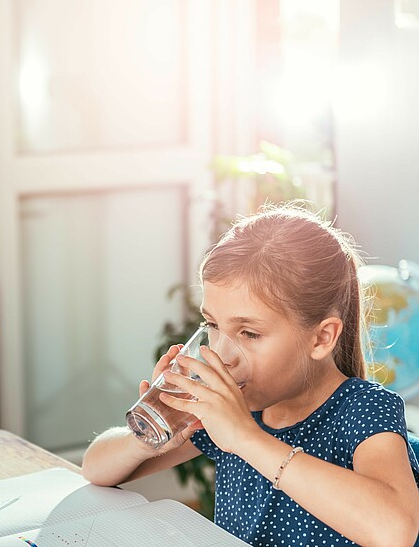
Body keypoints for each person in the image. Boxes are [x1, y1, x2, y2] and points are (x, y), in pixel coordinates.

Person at [82, 205, 419, 546]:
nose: (224, 356)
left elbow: (395, 531)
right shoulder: (236, 408)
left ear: (321, 338)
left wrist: (246, 438)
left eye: (249, 334)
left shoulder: (363, 409)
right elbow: (95, 469)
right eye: (212, 325)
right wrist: (148, 438)